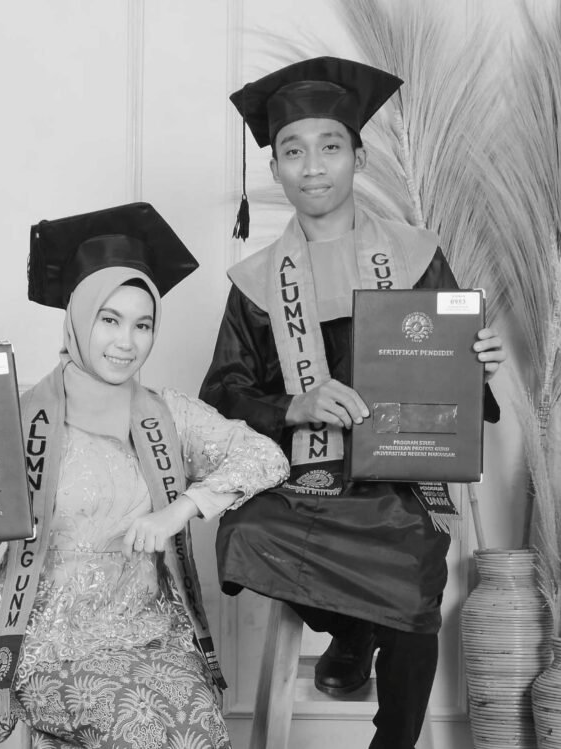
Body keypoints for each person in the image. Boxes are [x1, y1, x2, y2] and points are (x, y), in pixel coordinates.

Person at [0, 202, 289, 749]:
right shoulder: (15, 417)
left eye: (142, 325)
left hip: (151, 636)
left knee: (202, 730)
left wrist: (182, 508)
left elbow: (267, 457)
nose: (126, 342)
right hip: (47, 643)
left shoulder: (170, 414)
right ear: (77, 319)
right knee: (148, 731)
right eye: (109, 320)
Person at [198, 57, 507, 749]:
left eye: (330, 146)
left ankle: (390, 738)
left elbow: (458, 385)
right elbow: (220, 394)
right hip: (301, 480)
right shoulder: (256, 281)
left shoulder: (416, 255)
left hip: (398, 478)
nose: (313, 167)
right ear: (274, 169)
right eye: (293, 151)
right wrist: (295, 405)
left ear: (358, 157)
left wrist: (479, 365)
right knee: (245, 535)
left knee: (410, 572)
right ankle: (352, 627)